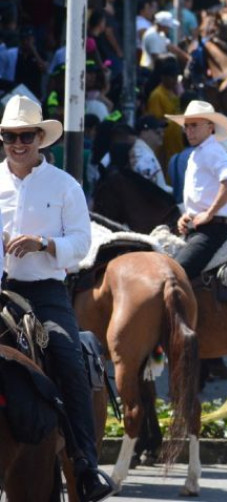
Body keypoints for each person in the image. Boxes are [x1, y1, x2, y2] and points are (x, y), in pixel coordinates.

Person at [0, 95, 115, 502]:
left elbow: (82, 243)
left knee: (67, 356)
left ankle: (84, 463)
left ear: (39, 138)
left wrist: (44, 243)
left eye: (25, 135)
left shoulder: (66, 185)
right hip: (1, 289)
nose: (18, 143)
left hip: (45, 291)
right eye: (10, 135)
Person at [165, 101, 227, 280]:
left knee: (175, 275)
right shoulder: (199, 152)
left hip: (212, 230)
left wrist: (209, 213)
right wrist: (188, 215)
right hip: (200, 227)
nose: (189, 131)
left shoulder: (213, 151)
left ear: (210, 127)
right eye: (187, 126)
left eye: (194, 126)